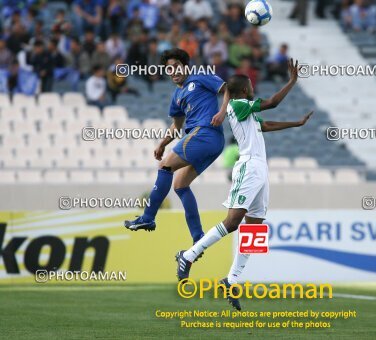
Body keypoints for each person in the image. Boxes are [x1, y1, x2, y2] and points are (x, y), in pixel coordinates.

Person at [175, 60, 313, 310]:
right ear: (241, 92)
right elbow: (273, 103)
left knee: (255, 228)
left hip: (260, 167)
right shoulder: (238, 105)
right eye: (249, 86)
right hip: (248, 166)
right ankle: (188, 255)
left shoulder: (244, 109)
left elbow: (266, 126)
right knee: (233, 222)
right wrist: (292, 81)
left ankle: (231, 279)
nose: (252, 89)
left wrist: (297, 123)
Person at [124, 48, 230, 254]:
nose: (173, 71)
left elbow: (228, 88)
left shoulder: (200, 77)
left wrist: (222, 111)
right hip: (209, 141)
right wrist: (162, 144)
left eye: (176, 67)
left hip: (205, 133)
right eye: (168, 69)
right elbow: (177, 127)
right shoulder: (177, 96)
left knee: (165, 167)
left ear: (185, 65)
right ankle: (198, 238)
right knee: (180, 185)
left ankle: (148, 218)